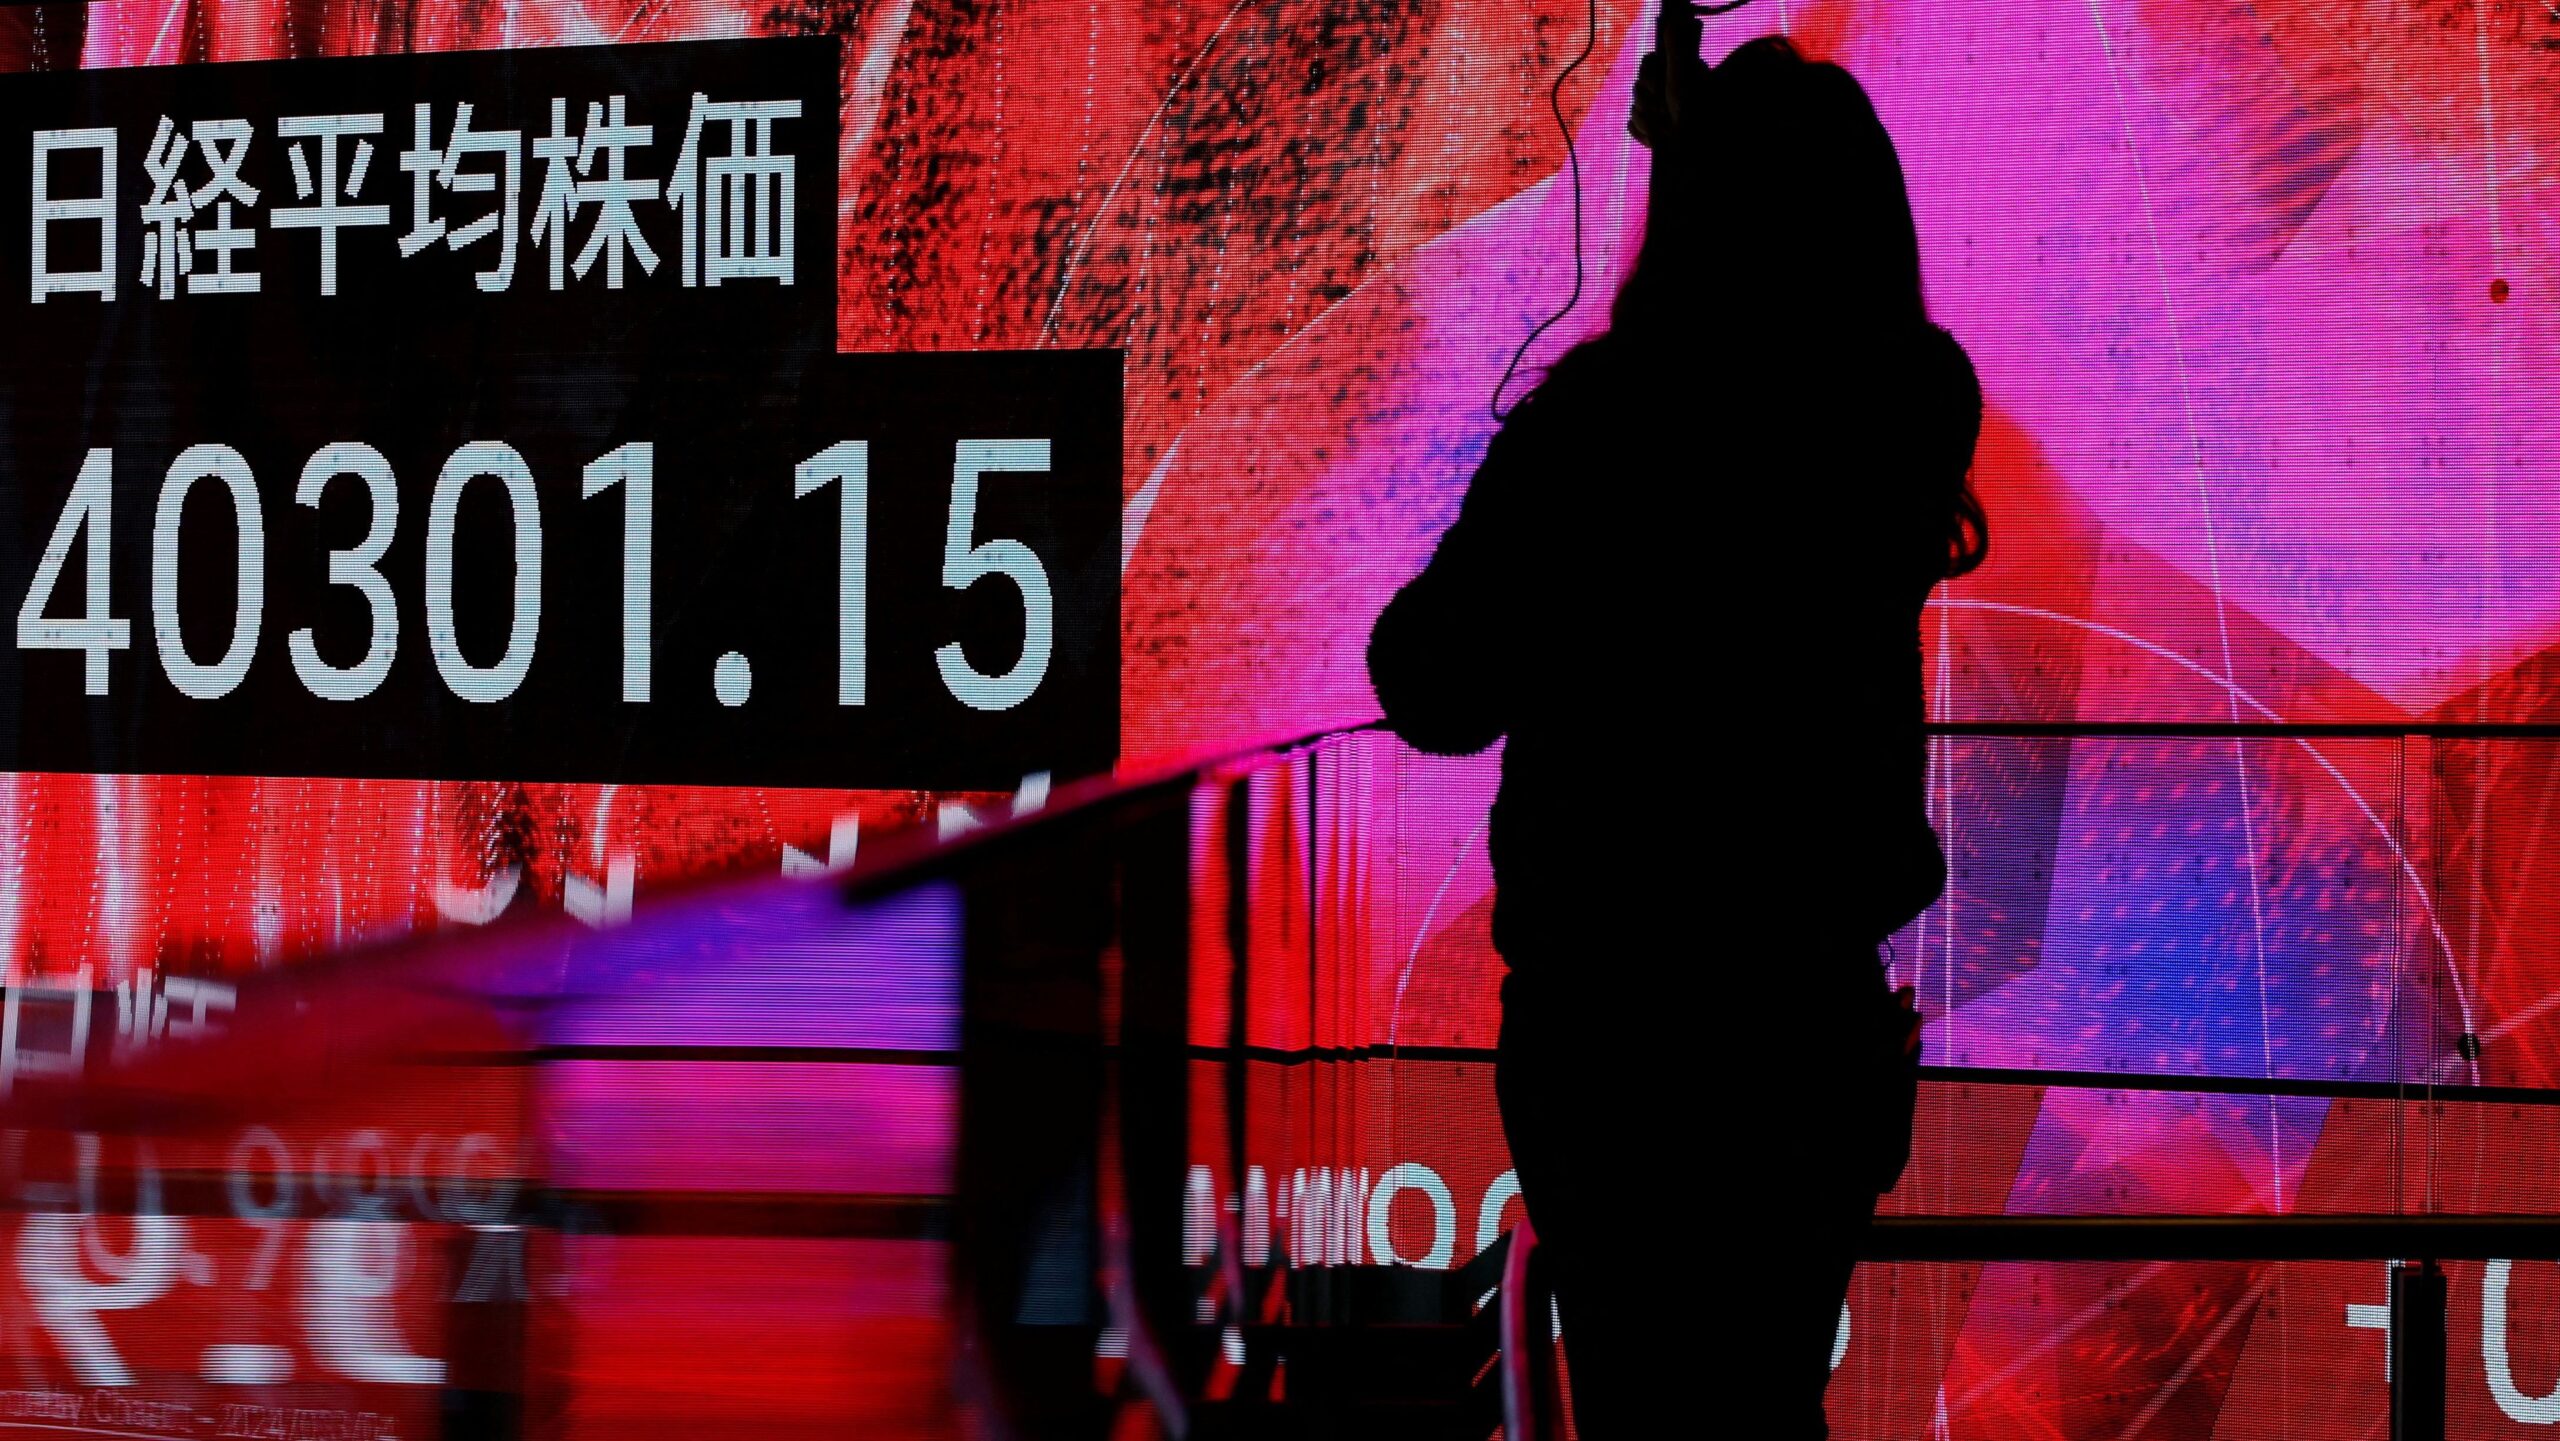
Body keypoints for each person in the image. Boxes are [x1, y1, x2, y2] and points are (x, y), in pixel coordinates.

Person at [1367, 35, 1988, 1439]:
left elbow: (1431, 681)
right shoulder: (1898, 416)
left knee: (1640, 1397)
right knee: (1767, 1402)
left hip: (1611, 1039)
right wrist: (1705, 167)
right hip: (1803, 1031)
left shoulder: (1594, 429)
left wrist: (1683, 186)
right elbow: (1811, 379)